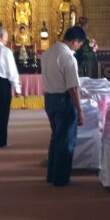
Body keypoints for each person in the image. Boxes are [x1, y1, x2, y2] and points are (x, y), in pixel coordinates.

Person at [41, 25, 87, 186]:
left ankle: (52, 175)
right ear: (74, 41)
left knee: (56, 137)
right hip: (63, 101)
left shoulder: (48, 53)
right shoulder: (68, 57)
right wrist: (80, 110)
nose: (79, 47)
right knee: (66, 140)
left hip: (49, 99)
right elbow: (73, 87)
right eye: (80, 44)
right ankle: (61, 178)